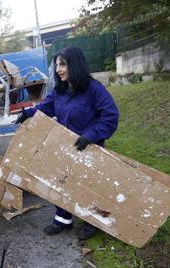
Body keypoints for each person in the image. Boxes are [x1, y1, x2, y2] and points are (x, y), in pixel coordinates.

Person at [15, 47, 120, 240]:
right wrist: (27, 114)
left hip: (88, 148)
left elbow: (110, 116)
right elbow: (46, 107)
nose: (58, 69)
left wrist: (92, 135)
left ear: (75, 65)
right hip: (65, 147)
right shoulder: (60, 90)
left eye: (62, 64)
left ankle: (92, 221)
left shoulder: (93, 89)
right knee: (62, 182)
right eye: (57, 66)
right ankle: (63, 219)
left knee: (87, 185)